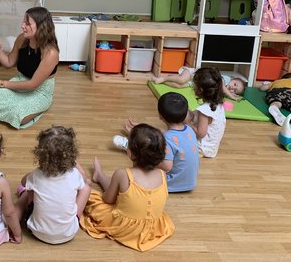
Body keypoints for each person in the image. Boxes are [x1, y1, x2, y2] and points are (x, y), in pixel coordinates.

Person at [80, 124, 175, 252]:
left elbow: (108, 199)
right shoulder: (162, 175)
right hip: (152, 229)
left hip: (126, 228)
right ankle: (100, 176)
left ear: (129, 153)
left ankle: (99, 175)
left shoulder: (122, 174)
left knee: (89, 194)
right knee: (122, 187)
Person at [0, 7, 60, 129]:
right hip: (20, 81)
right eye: (23, 22)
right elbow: (8, 63)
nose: (22, 26)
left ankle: (39, 107)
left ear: (41, 26)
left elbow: (32, 85)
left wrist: (1, 84)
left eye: (27, 23)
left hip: (39, 91)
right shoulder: (22, 39)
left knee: (17, 113)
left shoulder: (50, 53)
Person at [15, 125, 91, 244]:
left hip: (36, 231)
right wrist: (74, 163)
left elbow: (23, 181)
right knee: (86, 188)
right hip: (68, 233)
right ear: (71, 154)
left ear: (40, 154)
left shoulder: (36, 175)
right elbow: (85, 179)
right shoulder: (75, 174)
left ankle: (25, 196)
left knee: (29, 188)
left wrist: (34, 175)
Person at [113, 93, 199, 193]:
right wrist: (145, 128)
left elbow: (167, 167)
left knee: (146, 161)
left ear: (160, 116)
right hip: (190, 183)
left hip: (171, 183)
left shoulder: (168, 138)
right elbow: (171, 135)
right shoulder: (189, 130)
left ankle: (133, 146)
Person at [188, 67, 227, 158]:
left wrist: (188, 124)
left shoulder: (204, 111)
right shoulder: (219, 105)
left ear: (200, 90)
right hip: (212, 149)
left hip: (202, 149)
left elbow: (201, 133)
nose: (193, 87)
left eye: (194, 85)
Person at [151, 66, 247, 101]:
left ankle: (165, 81)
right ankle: (163, 78)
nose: (232, 88)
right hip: (193, 73)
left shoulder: (221, 92)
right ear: (232, 79)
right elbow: (222, 85)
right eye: (235, 84)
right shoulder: (224, 79)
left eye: (235, 90)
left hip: (195, 83)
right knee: (181, 80)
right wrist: (231, 95)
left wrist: (230, 94)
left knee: (179, 86)